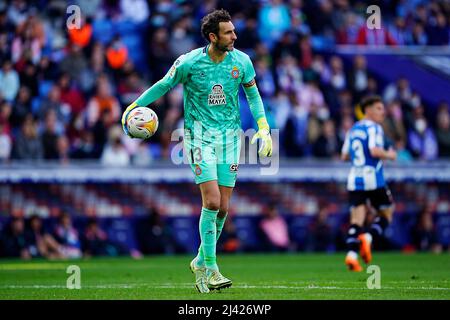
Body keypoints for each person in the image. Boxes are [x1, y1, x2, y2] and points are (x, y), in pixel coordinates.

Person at [121, 9, 272, 293]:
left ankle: (200, 260)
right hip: (198, 138)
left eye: (234, 31)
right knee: (212, 202)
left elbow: (253, 94)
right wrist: (133, 106)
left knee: (224, 207)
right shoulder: (189, 62)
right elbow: (164, 85)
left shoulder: (242, 62)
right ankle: (212, 268)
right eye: (229, 33)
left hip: (230, 138)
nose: (235, 36)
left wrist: (263, 127)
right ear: (213, 37)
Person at [341, 95, 397, 272]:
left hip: (354, 179)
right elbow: (374, 150)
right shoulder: (374, 128)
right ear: (369, 110)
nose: (383, 112)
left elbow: (344, 156)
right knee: (387, 213)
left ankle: (351, 256)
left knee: (356, 220)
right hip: (372, 178)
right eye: (379, 108)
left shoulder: (352, 129)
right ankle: (369, 237)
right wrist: (390, 155)